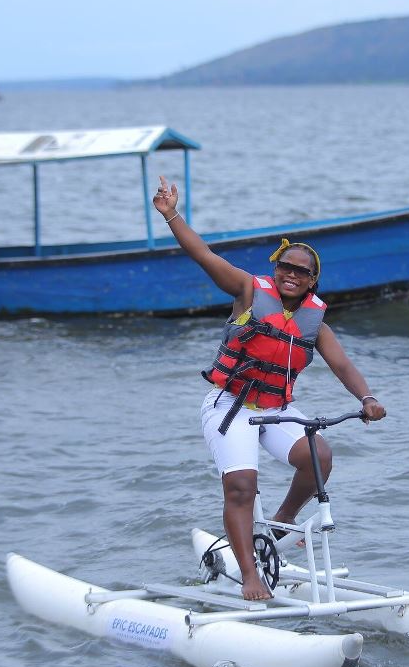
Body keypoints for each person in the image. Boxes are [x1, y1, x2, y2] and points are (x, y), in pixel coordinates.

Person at [153, 175, 386, 601]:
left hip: (276, 407)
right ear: (275, 269)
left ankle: (281, 521)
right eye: (286, 268)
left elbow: (343, 364)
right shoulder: (247, 291)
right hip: (230, 405)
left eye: (302, 272)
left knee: (319, 457)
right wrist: (171, 215)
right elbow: (203, 255)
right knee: (241, 485)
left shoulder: (315, 322)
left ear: (312, 281)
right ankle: (249, 576)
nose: (292, 276)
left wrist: (366, 398)